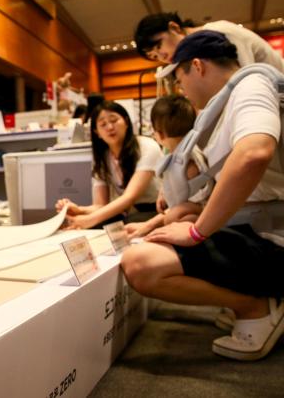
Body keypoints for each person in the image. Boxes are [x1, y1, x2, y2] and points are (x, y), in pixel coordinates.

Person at [121, 31, 284, 361]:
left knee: (140, 264)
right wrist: (185, 213)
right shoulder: (225, 105)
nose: (180, 90)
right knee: (176, 220)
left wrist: (199, 230)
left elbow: (254, 153)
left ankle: (257, 307)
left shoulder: (251, 87)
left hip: (271, 235)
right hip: (257, 226)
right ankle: (249, 296)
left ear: (197, 66)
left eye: (179, 79)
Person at [55, 101, 162, 229]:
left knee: (117, 222)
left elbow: (129, 197)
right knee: (94, 224)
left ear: (126, 122)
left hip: (155, 211)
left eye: (114, 120)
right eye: (103, 124)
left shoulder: (147, 146)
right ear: (96, 132)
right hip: (127, 214)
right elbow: (100, 206)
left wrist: (89, 219)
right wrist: (79, 210)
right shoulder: (102, 158)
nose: (110, 127)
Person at [125, 95, 210, 238]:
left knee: (175, 215)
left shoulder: (189, 162)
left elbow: (194, 201)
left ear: (159, 134)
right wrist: (163, 192)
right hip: (178, 207)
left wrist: (151, 224)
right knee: (173, 214)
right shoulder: (176, 154)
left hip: (201, 211)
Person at [134, 12, 284, 72]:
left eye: (159, 46)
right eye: (154, 57)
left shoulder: (220, 31)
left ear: (174, 27)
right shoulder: (196, 55)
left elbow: (248, 80)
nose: (162, 57)